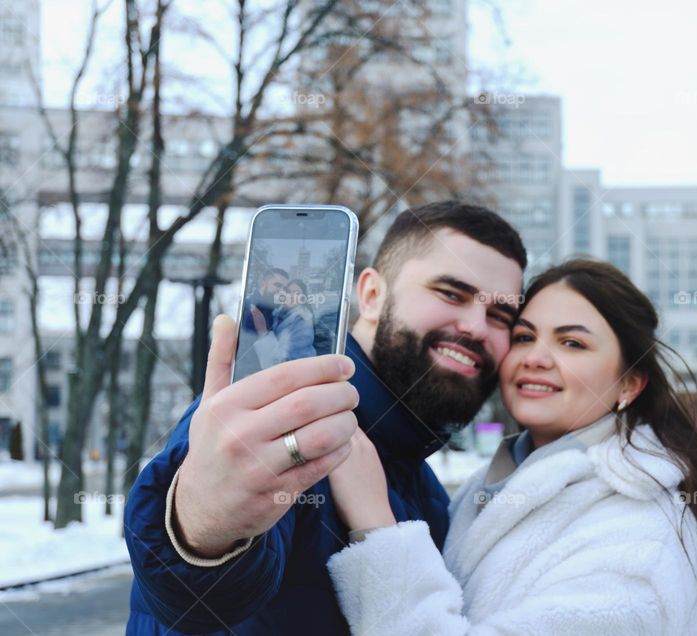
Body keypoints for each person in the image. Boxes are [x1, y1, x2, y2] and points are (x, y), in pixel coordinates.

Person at [124, 201, 527, 635]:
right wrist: (204, 528)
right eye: (452, 294)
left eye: (500, 315)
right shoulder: (277, 415)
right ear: (372, 295)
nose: (477, 326)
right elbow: (201, 595)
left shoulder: (428, 492)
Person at [326, 258, 697, 636]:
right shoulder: (500, 483)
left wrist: (377, 528)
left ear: (629, 384)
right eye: (525, 337)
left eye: (572, 343)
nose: (536, 358)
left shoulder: (638, 538)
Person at [234, 267, 289, 380]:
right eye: (277, 285)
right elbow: (245, 354)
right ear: (263, 283)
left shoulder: (269, 309)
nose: (281, 291)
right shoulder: (252, 311)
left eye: (284, 288)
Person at [250, 278, 317, 366]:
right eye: (288, 292)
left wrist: (262, 331)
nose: (291, 296)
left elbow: (279, 363)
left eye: (297, 293)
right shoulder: (277, 314)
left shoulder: (304, 324)